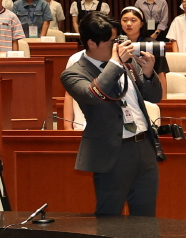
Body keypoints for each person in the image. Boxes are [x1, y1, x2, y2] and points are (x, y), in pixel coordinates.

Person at [61, 13, 163, 215]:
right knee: (110, 220)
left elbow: (154, 96)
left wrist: (150, 74)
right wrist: (115, 64)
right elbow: (94, 95)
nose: (117, 46)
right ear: (91, 43)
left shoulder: (128, 62)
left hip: (144, 146)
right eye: (111, 41)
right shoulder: (74, 73)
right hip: (112, 153)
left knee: (146, 218)